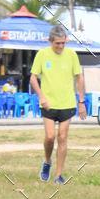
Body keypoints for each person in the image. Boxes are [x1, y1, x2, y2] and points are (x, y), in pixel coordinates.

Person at [30, 25, 86, 184]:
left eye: (63, 43)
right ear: (50, 41)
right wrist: (41, 96)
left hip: (67, 103)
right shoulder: (42, 54)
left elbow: (79, 78)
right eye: (57, 43)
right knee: (50, 137)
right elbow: (33, 78)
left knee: (62, 137)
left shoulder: (72, 55)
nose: (61, 46)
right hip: (48, 103)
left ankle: (59, 175)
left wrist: (81, 101)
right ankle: (47, 161)